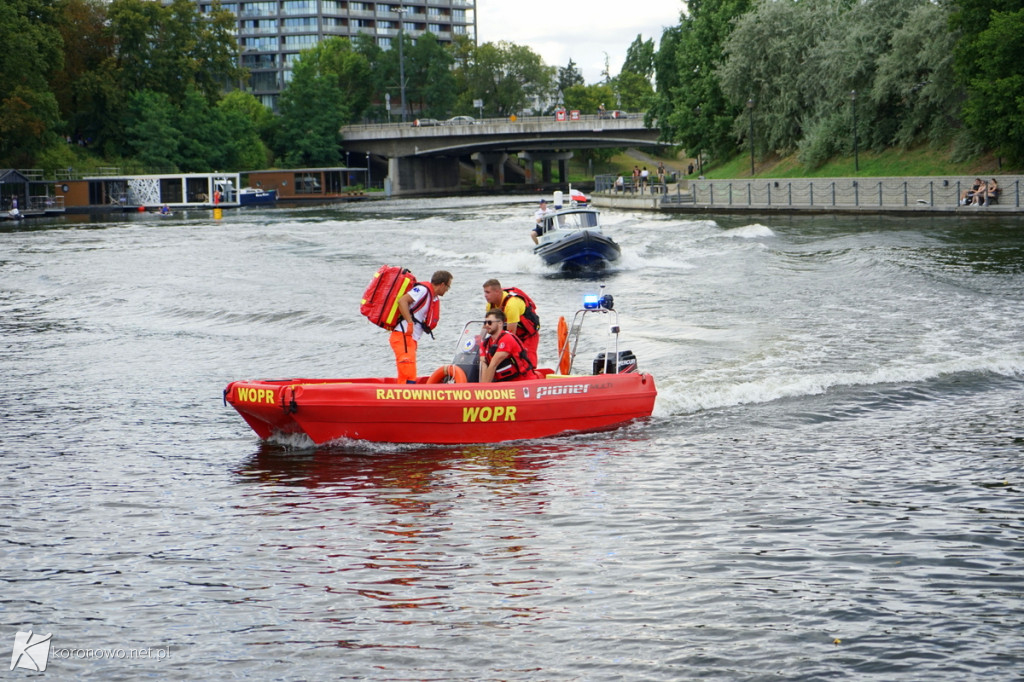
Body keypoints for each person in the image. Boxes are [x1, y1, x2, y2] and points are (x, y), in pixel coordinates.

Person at [390, 270, 453, 383]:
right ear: (442, 284)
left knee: (409, 372)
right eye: (448, 287)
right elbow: (402, 301)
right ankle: (407, 396)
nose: (447, 290)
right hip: (403, 335)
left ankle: (406, 394)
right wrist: (409, 323)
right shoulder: (423, 290)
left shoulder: (432, 297)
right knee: (408, 373)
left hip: (411, 338)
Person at [483, 278, 540, 367]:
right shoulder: (490, 305)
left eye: (488, 292)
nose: (485, 295)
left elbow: (511, 333)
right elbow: (488, 326)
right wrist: (480, 342)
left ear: (497, 292)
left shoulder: (511, 304)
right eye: (485, 292)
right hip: (512, 333)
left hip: (527, 335)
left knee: (527, 362)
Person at [479, 309, 538, 383]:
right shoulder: (484, 344)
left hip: (523, 381)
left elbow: (493, 365)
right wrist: (482, 387)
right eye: (485, 322)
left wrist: (484, 389)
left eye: (490, 322)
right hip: (505, 383)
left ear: (500, 323)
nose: (487, 325)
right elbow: (484, 365)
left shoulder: (507, 339)